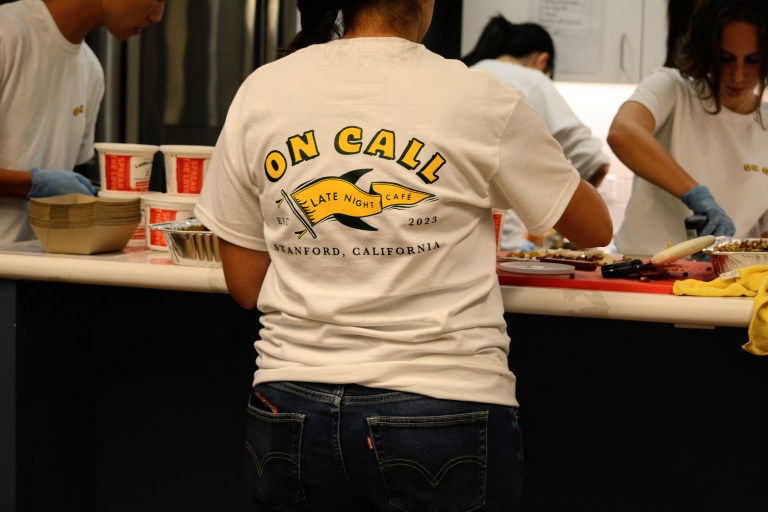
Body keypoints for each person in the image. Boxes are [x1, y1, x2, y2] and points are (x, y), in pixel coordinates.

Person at [194, 0, 612, 510]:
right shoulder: (481, 98)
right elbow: (595, 228)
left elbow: (245, 285)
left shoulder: (262, 89)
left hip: (289, 408)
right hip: (443, 407)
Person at [608, 0, 768, 257]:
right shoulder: (672, 88)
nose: (738, 75)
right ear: (707, 52)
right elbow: (623, 133)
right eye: (725, 58)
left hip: (721, 283)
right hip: (642, 268)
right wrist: (697, 196)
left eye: (753, 60)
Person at [0, 0, 166, 245]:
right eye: (157, 0)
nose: (158, 16)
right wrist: (33, 183)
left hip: (35, 263)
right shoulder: (6, 33)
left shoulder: (91, 71)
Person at [461, 15, 610, 251]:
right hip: (502, 245)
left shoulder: (464, 74)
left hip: (455, 245)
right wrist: (566, 218)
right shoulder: (532, 80)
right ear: (543, 61)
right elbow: (594, 160)